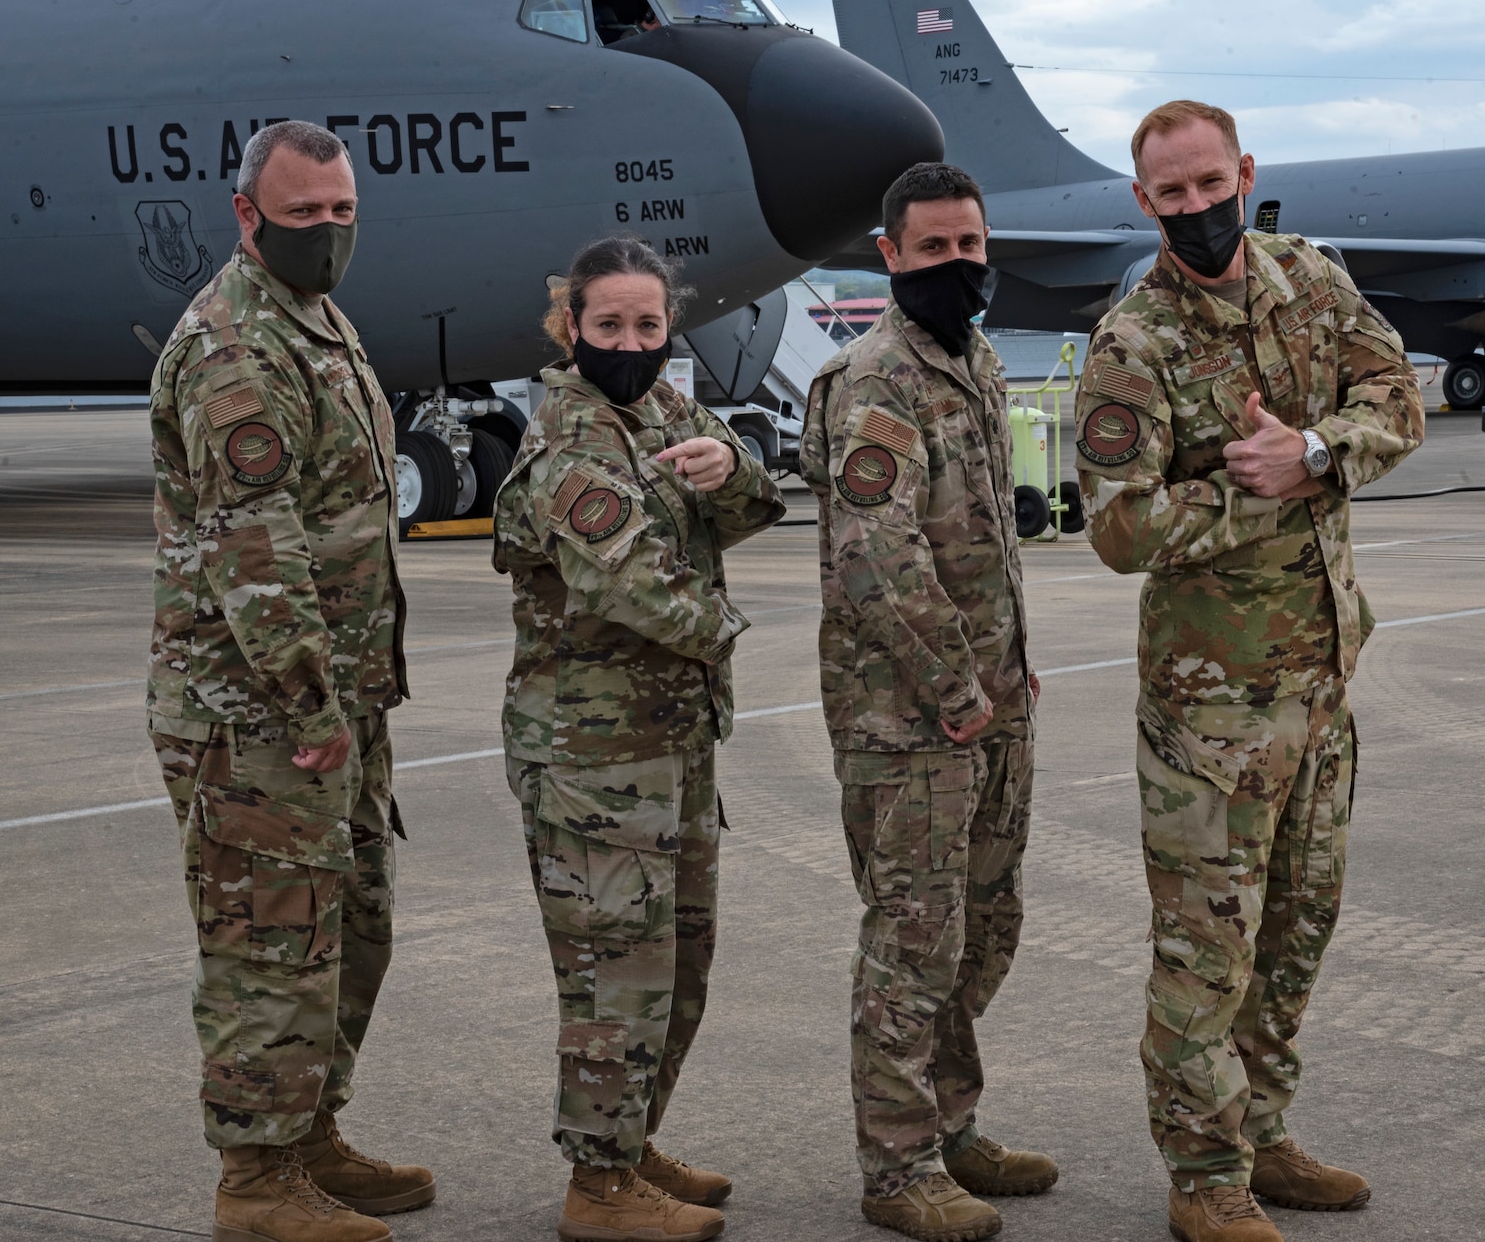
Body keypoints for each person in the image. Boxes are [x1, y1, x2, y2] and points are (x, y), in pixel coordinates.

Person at [1071, 100, 1424, 1242]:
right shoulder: (1132, 341)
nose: (1197, 208)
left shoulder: (1305, 281)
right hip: (1210, 714)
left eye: (1209, 183)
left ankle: (1262, 1132)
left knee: (1295, 929)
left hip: (1320, 685)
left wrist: (1315, 451)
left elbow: (1397, 397)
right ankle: (1201, 1176)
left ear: (1244, 173)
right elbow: (1118, 528)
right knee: (1202, 953)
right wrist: (1249, 487)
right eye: (1170, 193)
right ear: (1143, 202)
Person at [147, 119, 434, 1242]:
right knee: (270, 943)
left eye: (340, 212)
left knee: (348, 930)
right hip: (257, 717)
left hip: (335, 704)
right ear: (247, 213)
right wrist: (311, 704)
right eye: (303, 212)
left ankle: (307, 1133)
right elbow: (251, 543)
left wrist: (347, 701)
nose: (326, 231)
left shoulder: (317, 321)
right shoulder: (233, 344)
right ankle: (255, 1182)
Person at [491, 235, 785, 1242]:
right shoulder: (570, 440)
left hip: (671, 747)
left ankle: (631, 1139)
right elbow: (628, 584)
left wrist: (728, 461)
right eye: (608, 324)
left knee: (678, 965)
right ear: (570, 328)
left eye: (647, 325)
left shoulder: (660, 411)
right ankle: (597, 1187)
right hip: (591, 760)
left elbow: (751, 508)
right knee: (614, 977)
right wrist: (736, 637)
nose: (629, 340)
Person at [802, 163, 1055, 1242]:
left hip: (990, 705)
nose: (958, 266)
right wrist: (954, 684)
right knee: (912, 940)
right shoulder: (875, 381)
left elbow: (983, 538)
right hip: (907, 719)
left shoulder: (975, 361)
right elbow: (875, 551)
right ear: (888, 255)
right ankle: (896, 1167)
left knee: (981, 927)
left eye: (969, 247)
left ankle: (949, 1127)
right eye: (934, 250)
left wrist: (1008, 671)